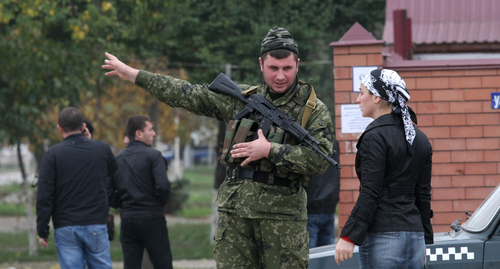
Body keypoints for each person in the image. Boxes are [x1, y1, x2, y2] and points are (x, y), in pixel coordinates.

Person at [102, 27, 335, 268]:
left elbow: (320, 160)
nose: (280, 76)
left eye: (287, 68)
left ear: (298, 64)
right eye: (273, 68)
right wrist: (134, 75)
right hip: (235, 217)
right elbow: (188, 94)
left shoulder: (313, 110)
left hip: (283, 222)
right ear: (260, 64)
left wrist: (269, 150)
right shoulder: (242, 98)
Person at [334, 69, 433, 268]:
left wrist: (349, 236)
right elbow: (422, 194)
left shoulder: (375, 137)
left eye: (362, 93)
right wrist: (425, 238)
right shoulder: (420, 139)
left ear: (377, 97)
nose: (358, 99)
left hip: (384, 237)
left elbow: (371, 192)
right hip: (415, 237)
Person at [36, 107, 117, 269]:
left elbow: (45, 194)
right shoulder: (101, 149)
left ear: (59, 128)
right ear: (83, 126)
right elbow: (113, 175)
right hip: (96, 222)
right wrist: (89, 140)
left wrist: (42, 229)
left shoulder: (53, 155)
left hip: (66, 225)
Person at [107, 115, 173, 269]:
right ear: (138, 134)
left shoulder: (117, 160)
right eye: (150, 129)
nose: (154, 133)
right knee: (162, 263)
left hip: (128, 219)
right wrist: (159, 203)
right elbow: (163, 186)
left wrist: (123, 203)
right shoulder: (154, 156)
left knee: (131, 264)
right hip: (152, 217)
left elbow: (108, 192)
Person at [306, 139, 340, 248]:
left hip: (311, 206)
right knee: (328, 257)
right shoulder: (333, 142)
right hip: (329, 204)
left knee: (310, 258)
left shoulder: (307, 140)